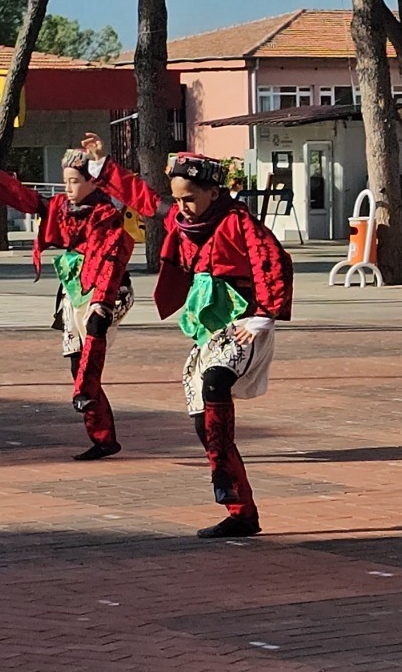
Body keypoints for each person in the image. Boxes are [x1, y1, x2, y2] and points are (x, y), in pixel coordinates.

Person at [94, 146, 293, 540]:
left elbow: (273, 259)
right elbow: (145, 201)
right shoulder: (182, 223)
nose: (182, 206)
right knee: (205, 426)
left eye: (190, 198)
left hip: (242, 322)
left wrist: (264, 314)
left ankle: (222, 470)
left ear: (213, 193)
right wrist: (103, 166)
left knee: (216, 382)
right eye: (179, 198)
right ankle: (242, 512)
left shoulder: (238, 221)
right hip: (208, 329)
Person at [0, 149, 135, 460]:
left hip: (109, 286)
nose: (67, 188)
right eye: (65, 181)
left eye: (74, 181)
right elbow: (30, 200)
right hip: (75, 288)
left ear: (94, 183)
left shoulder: (107, 215)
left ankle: (86, 394)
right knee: (77, 362)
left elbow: (112, 261)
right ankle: (103, 437)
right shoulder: (63, 206)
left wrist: (102, 302)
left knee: (94, 331)